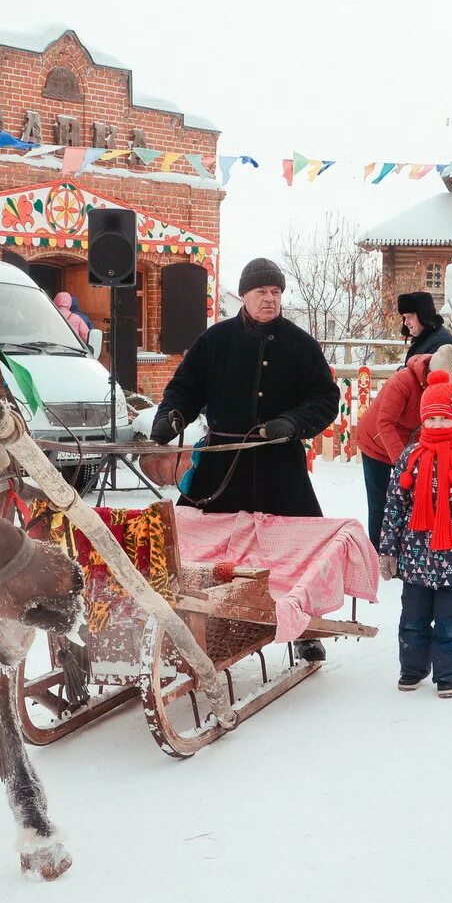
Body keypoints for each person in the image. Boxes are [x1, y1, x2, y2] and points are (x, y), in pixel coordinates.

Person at [150, 257, 340, 660]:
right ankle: (189, 617)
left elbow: (325, 400)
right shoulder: (214, 340)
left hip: (280, 465)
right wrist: (172, 416)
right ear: (244, 295)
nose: (270, 299)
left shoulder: (300, 343)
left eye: (276, 293)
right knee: (195, 540)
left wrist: (292, 421)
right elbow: (184, 388)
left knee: (298, 543)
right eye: (261, 292)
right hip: (222, 464)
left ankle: (303, 625)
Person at [377, 370, 452, 698]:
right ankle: (412, 669)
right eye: (430, 420)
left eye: (442, 419)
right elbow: (393, 508)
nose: (436, 426)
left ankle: (448, 675)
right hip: (416, 560)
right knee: (412, 620)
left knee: (450, 624)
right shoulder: (410, 457)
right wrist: (388, 550)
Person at [356, 346, 452, 548]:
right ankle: (378, 551)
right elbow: (385, 423)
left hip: (411, 446)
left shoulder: (449, 388)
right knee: (381, 502)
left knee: (409, 502)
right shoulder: (403, 381)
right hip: (376, 444)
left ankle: (403, 549)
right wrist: (405, 464)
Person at [399, 291, 452, 362]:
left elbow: (435, 373)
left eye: (409, 316)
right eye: (404, 317)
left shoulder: (440, 344)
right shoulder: (424, 339)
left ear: (423, 316)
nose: (405, 323)